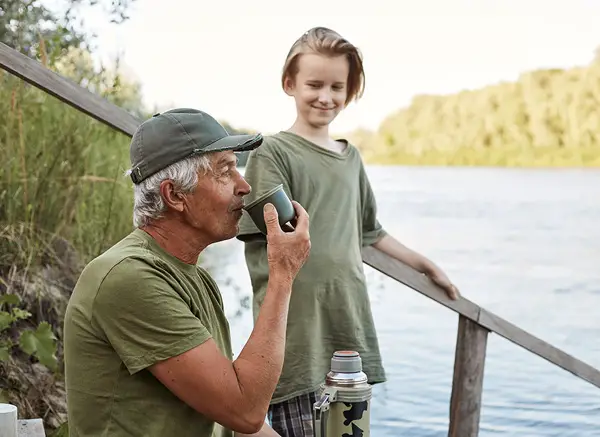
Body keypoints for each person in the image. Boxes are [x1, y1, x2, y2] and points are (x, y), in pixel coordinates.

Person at [236, 27, 460, 437]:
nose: (326, 96)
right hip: (295, 333)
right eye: (314, 84)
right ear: (290, 84)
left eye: (337, 86)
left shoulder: (351, 157)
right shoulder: (272, 152)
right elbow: (272, 232)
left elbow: (369, 232)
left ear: (350, 91)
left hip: (345, 326)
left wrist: (423, 263)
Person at [63, 108, 311, 437]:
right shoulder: (129, 277)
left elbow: (231, 413)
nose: (245, 186)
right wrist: (283, 274)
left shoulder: (196, 279)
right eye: (226, 172)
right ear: (175, 195)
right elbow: (245, 410)